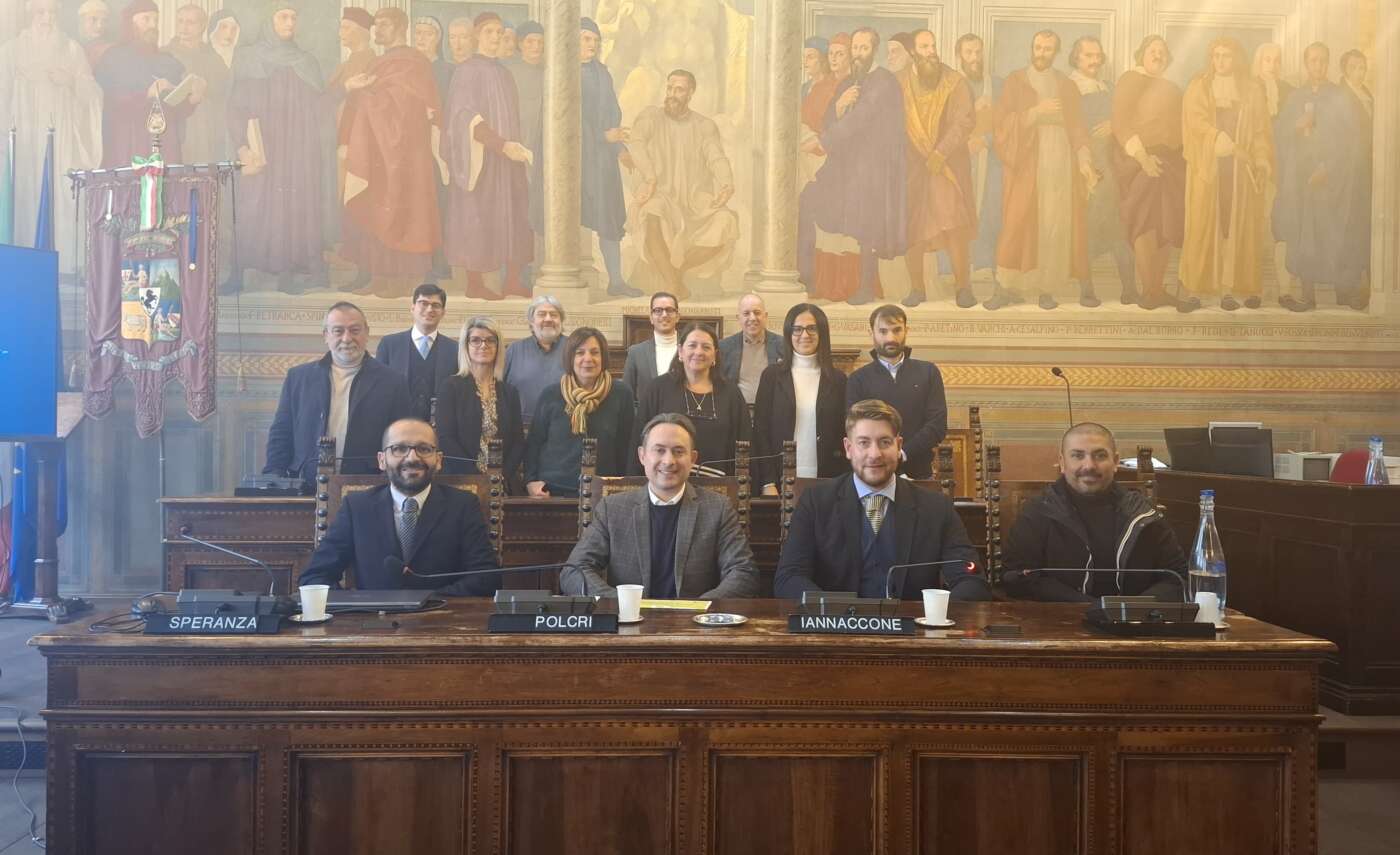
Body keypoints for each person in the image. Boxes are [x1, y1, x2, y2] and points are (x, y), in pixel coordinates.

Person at [774, 400, 993, 601]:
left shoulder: (936, 508)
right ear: (848, 448)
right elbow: (789, 578)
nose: (875, 454)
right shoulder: (816, 502)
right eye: (863, 443)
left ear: (899, 446)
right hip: (837, 626)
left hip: (914, 627)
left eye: (885, 442)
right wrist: (834, 612)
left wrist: (935, 613)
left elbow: (971, 580)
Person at [561, 413, 758, 599]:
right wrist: (623, 603)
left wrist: (699, 609)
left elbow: (743, 573)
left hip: (696, 621)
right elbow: (574, 571)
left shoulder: (718, 508)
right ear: (642, 456)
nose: (669, 461)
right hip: (629, 619)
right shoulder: (612, 509)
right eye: (659, 450)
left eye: (678, 451)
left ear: (693, 459)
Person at [299, 418, 501, 595]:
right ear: (382, 460)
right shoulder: (357, 507)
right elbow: (314, 577)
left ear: (438, 460)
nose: (412, 458)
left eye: (424, 449)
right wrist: (357, 607)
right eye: (399, 449)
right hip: (372, 621)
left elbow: (486, 579)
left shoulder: (463, 505)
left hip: (441, 618)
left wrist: (427, 601)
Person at [1001, 422, 1186, 602]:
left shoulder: (1143, 514)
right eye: (1077, 455)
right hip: (1062, 618)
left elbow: (1178, 578)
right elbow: (1017, 579)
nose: (1089, 465)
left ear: (1115, 462)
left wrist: (1130, 608)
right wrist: (1089, 607)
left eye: (1100, 455)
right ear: (1062, 463)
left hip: (1135, 619)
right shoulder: (1038, 512)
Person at [339, 6, 444, 296]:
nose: (378, 30)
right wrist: (360, 93)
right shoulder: (380, 62)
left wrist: (365, 95)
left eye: (384, 24)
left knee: (405, 209)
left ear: (400, 27)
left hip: (407, 151)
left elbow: (404, 104)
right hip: (380, 149)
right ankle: (381, 277)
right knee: (379, 206)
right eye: (377, 25)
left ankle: (405, 280)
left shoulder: (412, 62)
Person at [798, 27, 907, 304]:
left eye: (863, 48)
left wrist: (824, 142)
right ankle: (815, 278)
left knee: (868, 224)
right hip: (852, 164)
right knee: (830, 211)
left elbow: (861, 118)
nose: (858, 54)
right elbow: (828, 119)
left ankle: (866, 288)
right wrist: (838, 107)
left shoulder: (883, 81)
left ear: (874, 50)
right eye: (855, 48)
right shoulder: (849, 82)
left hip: (877, 165)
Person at [989, 29, 1097, 310]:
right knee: (1016, 222)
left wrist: (1085, 161)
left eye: (1048, 49)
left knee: (1053, 224)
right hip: (1026, 162)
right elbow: (1000, 123)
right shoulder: (1016, 80)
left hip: (1060, 161)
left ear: (1056, 52)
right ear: (1032, 48)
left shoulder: (1066, 85)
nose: (1041, 53)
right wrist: (1037, 112)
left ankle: (1047, 288)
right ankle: (1004, 286)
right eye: (1038, 47)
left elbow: (1078, 128)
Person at [226, 2, 325, 293]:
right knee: (250, 206)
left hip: (295, 149)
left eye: (294, 17)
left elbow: (318, 109)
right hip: (260, 145)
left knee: (290, 207)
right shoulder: (248, 58)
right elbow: (235, 106)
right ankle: (238, 273)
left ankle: (287, 273)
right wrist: (241, 145)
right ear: (270, 21)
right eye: (283, 16)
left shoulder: (306, 62)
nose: (290, 23)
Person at [0, 0, 102, 269]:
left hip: (61, 138)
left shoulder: (72, 50)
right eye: (40, 12)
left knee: (60, 192)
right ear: (29, 13)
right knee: (24, 196)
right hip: (22, 139)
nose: (47, 19)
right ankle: (23, 265)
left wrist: (71, 82)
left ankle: (63, 263)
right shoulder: (10, 51)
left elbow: (93, 95)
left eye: (52, 13)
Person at [265, 302, 412, 482]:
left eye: (355, 330)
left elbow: (402, 439)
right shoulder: (298, 378)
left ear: (367, 333)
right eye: (338, 331)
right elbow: (281, 432)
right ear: (326, 335)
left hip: (366, 484)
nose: (347, 338)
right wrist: (274, 477)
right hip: (306, 482)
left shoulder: (393, 382)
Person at [443, 12, 534, 299]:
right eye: (489, 32)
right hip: (482, 157)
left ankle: (512, 281)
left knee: (515, 215)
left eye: (499, 32)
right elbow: (463, 116)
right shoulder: (467, 70)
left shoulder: (504, 73)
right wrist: (499, 144)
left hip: (508, 158)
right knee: (479, 215)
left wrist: (513, 147)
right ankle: (475, 284)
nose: (496, 37)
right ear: (477, 36)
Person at [627, 69, 739, 299]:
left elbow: (716, 157)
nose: (672, 94)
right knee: (652, 211)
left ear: (690, 93)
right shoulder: (650, 117)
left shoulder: (704, 125)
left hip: (693, 198)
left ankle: (675, 276)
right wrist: (650, 178)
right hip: (660, 192)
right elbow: (636, 145)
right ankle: (673, 285)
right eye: (670, 88)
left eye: (679, 90)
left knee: (726, 222)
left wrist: (727, 184)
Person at [1181, 38, 1274, 309]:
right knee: (1203, 225)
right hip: (1208, 166)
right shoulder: (1199, 87)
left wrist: (1260, 160)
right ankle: (1196, 290)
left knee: (1237, 225)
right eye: (1216, 56)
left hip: (1240, 171)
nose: (1220, 61)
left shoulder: (1252, 90)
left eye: (1227, 56)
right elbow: (1195, 123)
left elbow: (1260, 131)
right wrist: (1224, 142)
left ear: (1237, 59)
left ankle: (1230, 290)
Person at [1274, 43, 1364, 312]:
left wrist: (1328, 167)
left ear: (1328, 64)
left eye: (1323, 60)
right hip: (1302, 177)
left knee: (1336, 231)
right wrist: (1296, 125)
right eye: (1313, 60)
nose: (1319, 65)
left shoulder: (1340, 96)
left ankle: (1343, 292)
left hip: (1331, 177)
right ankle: (1307, 295)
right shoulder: (1295, 97)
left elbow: (1351, 138)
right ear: (1306, 63)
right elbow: (1279, 133)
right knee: (1305, 235)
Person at [1113, 35, 1196, 311]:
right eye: (1153, 50)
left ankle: (1158, 289)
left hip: (1172, 161)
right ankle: (1149, 291)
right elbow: (1121, 122)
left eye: (1162, 51)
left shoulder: (1172, 88)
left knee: (1165, 223)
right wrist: (1143, 158)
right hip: (1141, 159)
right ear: (1141, 54)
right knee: (1145, 221)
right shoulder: (1130, 80)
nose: (1158, 55)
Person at [899, 29, 977, 309]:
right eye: (924, 47)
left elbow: (964, 121)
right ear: (913, 52)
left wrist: (941, 152)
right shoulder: (899, 83)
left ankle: (963, 288)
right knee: (913, 226)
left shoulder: (955, 82)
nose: (931, 51)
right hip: (912, 166)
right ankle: (917, 288)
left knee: (954, 223)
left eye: (932, 45)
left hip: (946, 166)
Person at [524, 327, 635, 498]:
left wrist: (623, 487)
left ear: (603, 357)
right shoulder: (551, 394)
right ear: (570, 358)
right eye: (580, 353)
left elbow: (627, 446)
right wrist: (531, 481)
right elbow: (534, 442)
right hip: (552, 491)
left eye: (594, 352)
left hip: (604, 492)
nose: (588, 359)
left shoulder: (621, 394)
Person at [752, 304, 847, 494]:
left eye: (812, 328)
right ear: (788, 333)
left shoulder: (838, 380)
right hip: (779, 480)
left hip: (828, 479)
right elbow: (761, 431)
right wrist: (768, 482)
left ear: (822, 333)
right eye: (797, 329)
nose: (804, 335)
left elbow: (843, 433)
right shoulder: (772, 376)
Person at [1069, 36, 1136, 305]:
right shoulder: (1069, 87)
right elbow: (1071, 127)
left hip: (1110, 162)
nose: (1095, 61)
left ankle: (1129, 289)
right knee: (1086, 227)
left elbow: (1126, 117)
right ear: (1076, 57)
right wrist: (1083, 161)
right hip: (1082, 163)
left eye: (1098, 56)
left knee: (1118, 224)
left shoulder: (1108, 87)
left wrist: (1114, 124)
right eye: (1089, 55)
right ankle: (1086, 290)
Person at [844, 305, 946, 479]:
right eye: (883, 331)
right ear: (871, 333)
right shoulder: (858, 379)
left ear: (906, 331)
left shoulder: (928, 372)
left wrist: (903, 453)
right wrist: (885, 455)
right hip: (874, 471)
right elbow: (855, 429)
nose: (890, 338)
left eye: (897, 330)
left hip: (920, 473)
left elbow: (937, 425)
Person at [94, 0, 200, 167]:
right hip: (128, 144)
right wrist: (146, 94)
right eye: (146, 19)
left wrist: (192, 99)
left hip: (165, 146)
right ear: (131, 24)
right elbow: (109, 100)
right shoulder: (114, 58)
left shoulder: (166, 61)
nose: (153, 25)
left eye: (156, 20)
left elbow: (176, 109)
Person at [634, 324, 749, 476]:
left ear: (715, 355)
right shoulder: (657, 388)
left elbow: (744, 445)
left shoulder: (731, 394)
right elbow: (639, 439)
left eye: (706, 347)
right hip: (665, 480)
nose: (699, 352)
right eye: (692, 345)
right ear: (680, 351)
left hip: (719, 485)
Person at [579, 17, 639, 297]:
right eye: (586, 39)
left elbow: (612, 114)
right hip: (578, 161)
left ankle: (615, 281)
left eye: (595, 40)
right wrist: (603, 137)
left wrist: (619, 148)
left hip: (602, 161)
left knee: (610, 219)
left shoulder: (602, 73)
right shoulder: (564, 75)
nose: (592, 44)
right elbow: (571, 120)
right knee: (575, 217)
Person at [435, 317, 525, 483]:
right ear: (466, 346)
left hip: (502, 481)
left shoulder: (509, 392)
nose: (484, 345)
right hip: (461, 479)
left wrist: (501, 476)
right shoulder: (450, 387)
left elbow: (518, 442)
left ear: (498, 347)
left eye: (490, 340)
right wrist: (477, 478)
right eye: (476, 340)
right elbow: (446, 439)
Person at [948, 33, 1003, 303]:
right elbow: (941, 125)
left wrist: (987, 140)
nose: (974, 58)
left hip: (991, 161)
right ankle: (957, 280)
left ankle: (988, 272)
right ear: (959, 55)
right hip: (958, 161)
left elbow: (1008, 123)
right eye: (969, 52)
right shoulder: (949, 85)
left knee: (991, 214)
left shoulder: (997, 85)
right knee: (957, 216)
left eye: (978, 52)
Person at [374, 283, 460, 421]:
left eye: (436, 305)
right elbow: (378, 389)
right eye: (423, 303)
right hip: (397, 425)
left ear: (443, 312)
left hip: (440, 427)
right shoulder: (389, 345)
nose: (429, 309)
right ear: (413, 308)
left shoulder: (455, 349)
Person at [1252, 42, 1293, 302]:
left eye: (1277, 60)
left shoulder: (1289, 91)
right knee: (1255, 227)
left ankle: (1285, 291)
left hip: (1284, 168)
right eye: (1267, 59)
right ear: (1259, 62)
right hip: (1254, 167)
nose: (1272, 65)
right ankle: (1253, 289)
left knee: (1282, 227)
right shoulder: (1247, 89)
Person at [163, 5, 227, 165]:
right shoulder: (164, 54)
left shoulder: (213, 58)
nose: (184, 27)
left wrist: (207, 87)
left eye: (190, 22)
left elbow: (224, 92)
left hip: (207, 126)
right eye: (180, 21)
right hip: (178, 125)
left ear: (202, 26)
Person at [1338, 49, 1373, 308]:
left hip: (1366, 172)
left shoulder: (1367, 94)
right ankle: (1345, 291)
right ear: (1345, 70)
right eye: (1354, 67)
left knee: (1365, 229)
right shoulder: (1340, 97)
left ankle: (1364, 288)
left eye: (1362, 67)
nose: (1359, 72)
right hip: (1346, 173)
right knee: (1347, 229)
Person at [503, 295, 566, 423]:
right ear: (532, 321)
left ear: (561, 320)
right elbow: (498, 389)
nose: (548, 319)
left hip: (563, 426)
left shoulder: (575, 349)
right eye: (542, 314)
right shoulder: (514, 350)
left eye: (554, 315)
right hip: (520, 428)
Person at [717, 293, 783, 405]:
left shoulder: (783, 345)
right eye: (746, 313)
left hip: (772, 410)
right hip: (737, 411)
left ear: (765, 316)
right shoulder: (724, 347)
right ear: (738, 318)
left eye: (757, 313)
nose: (752, 318)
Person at [622, 291, 680, 396]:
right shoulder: (636, 353)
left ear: (677, 317)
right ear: (651, 318)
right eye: (658, 310)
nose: (664, 315)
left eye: (669, 310)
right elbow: (627, 396)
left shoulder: (689, 350)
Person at [78, 0, 113, 68]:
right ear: (82, 22)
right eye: (93, 19)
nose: (100, 26)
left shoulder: (111, 51)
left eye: (104, 21)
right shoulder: (71, 48)